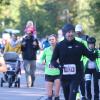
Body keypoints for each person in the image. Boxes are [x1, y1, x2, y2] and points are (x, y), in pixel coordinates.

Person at [50, 23, 98, 100]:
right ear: (64, 33)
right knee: (67, 97)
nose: (71, 34)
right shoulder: (59, 46)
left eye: (72, 32)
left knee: (72, 96)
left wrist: (96, 53)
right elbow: (53, 61)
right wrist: (59, 66)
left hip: (76, 76)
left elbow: (91, 56)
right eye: (68, 32)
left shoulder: (80, 45)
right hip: (64, 76)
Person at [40, 34, 60, 100]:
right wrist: (43, 62)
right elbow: (41, 59)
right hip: (48, 73)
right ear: (48, 41)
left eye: (53, 39)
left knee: (57, 95)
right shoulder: (46, 50)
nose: (51, 41)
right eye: (50, 40)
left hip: (58, 73)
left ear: (56, 40)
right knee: (49, 95)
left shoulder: (60, 49)